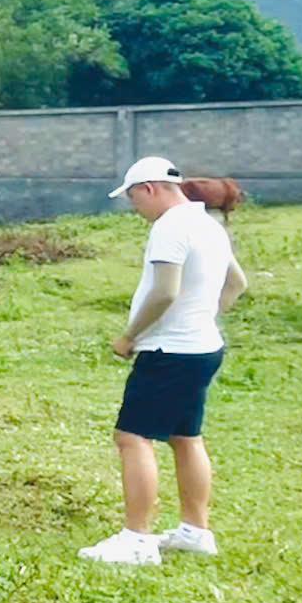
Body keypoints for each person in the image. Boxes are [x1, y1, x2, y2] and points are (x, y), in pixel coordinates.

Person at [80, 156, 248, 567]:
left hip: (168, 352)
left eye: (134, 198)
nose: (135, 208)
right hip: (203, 348)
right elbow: (237, 283)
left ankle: (136, 539)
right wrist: (205, 317)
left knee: (132, 437)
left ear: (150, 188)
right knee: (185, 437)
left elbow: (164, 292)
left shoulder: (169, 227)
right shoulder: (209, 224)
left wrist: (129, 336)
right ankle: (195, 531)